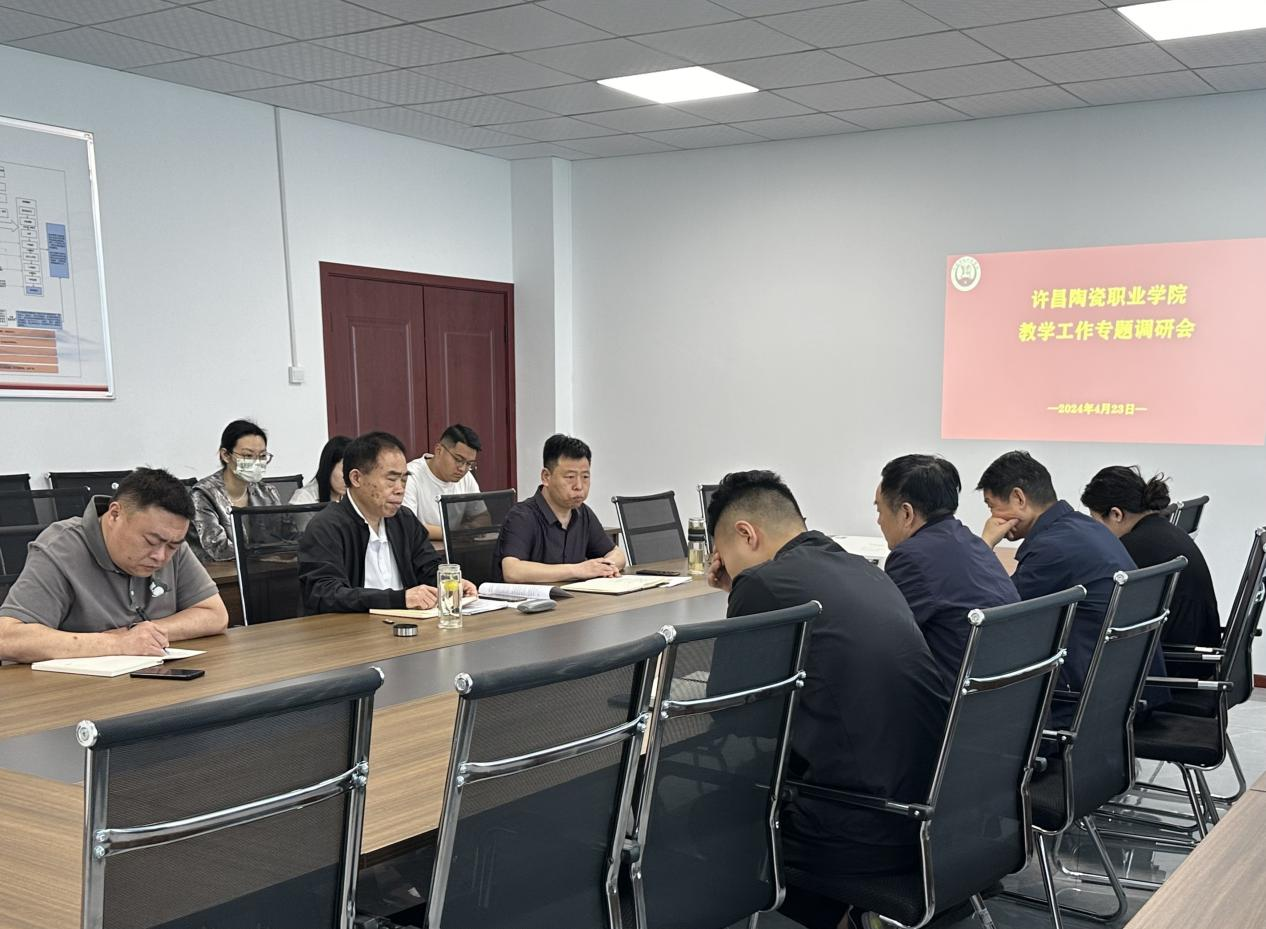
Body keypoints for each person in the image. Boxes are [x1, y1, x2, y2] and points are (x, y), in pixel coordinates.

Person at [706, 470, 947, 929]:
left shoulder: (761, 584)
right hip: (931, 813)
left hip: (861, 831)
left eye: (724, 554)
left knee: (699, 817)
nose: (727, 567)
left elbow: (729, 714)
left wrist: (740, 590)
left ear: (746, 534)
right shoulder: (861, 567)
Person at [976, 451, 1167, 721]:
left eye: (991, 507)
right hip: (1128, 691)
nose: (992, 517)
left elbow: (996, 618)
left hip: (1088, 706)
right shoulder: (1084, 527)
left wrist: (984, 547)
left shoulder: (1052, 547)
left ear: (1019, 498)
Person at [0, 468, 229, 663]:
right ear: (115, 514)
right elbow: (7, 638)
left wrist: (142, 634)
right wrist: (115, 643)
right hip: (74, 692)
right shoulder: (60, 547)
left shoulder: (170, 542)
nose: (160, 556)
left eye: (172, 546)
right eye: (150, 541)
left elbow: (214, 615)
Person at [876, 454, 1019, 690]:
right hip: (1005, 697)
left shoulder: (911, 557)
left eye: (880, 510)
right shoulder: (971, 541)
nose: (879, 521)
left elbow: (883, 640)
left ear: (906, 513)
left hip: (956, 702)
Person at [299, 431, 475, 614]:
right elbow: (324, 593)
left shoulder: (404, 519)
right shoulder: (326, 526)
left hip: (407, 622)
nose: (400, 489)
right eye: (391, 480)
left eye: (404, 480)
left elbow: (428, 567)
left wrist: (450, 582)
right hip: (352, 626)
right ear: (356, 478)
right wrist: (399, 599)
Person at [1082, 466, 1220, 649]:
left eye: (1095, 520)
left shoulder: (1133, 548)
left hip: (1176, 656)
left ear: (1116, 514)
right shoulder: (1165, 531)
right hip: (1199, 644)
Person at [493, 434, 626, 583]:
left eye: (585, 477)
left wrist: (606, 567)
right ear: (546, 477)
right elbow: (512, 571)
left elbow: (617, 554)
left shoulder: (583, 513)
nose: (579, 486)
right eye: (570, 477)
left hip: (575, 596)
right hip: (529, 598)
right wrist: (578, 570)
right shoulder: (522, 516)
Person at [191, 419, 284, 561]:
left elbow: (286, 536)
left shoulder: (267, 492)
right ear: (226, 455)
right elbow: (218, 549)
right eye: (248, 456)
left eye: (262, 456)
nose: (256, 462)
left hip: (267, 568)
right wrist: (261, 558)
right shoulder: (203, 495)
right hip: (220, 571)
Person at [401, 424, 488, 541]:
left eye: (469, 464)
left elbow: (483, 517)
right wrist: (457, 533)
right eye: (458, 460)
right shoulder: (410, 475)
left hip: (457, 546)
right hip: (422, 548)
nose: (462, 469)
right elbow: (408, 526)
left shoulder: (466, 477)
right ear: (439, 450)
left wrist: (471, 528)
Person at [290, 435, 352, 506]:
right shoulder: (303, 499)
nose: (350, 479)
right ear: (329, 467)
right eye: (345, 471)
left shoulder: (348, 497)